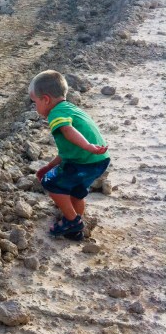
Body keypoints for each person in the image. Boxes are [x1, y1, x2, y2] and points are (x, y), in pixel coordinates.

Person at [29, 70, 110, 240]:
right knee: (76, 192)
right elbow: (67, 151)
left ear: (45, 99)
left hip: (84, 160)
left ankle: (72, 221)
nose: (35, 106)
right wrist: (50, 165)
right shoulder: (70, 108)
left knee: (50, 183)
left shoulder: (56, 113)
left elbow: (67, 129)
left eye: (34, 101)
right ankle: (75, 229)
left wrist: (88, 146)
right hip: (98, 161)